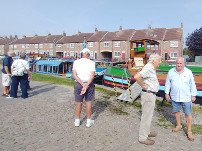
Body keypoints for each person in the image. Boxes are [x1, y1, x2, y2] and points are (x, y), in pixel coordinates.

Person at [165, 57, 197, 141]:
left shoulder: (188, 72)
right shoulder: (171, 72)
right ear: (176, 63)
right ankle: (179, 125)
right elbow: (168, 83)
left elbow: (192, 84)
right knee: (176, 111)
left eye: (180, 63)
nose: (179, 65)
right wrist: (166, 93)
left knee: (188, 113)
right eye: (177, 63)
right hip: (175, 96)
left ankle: (189, 131)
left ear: (183, 64)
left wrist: (193, 95)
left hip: (186, 96)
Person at [134, 54, 161, 145]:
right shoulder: (149, 68)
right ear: (153, 61)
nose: (159, 62)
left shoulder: (150, 68)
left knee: (148, 115)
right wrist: (142, 85)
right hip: (148, 94)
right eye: (158, 60)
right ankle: (143, 138)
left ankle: (147, 132)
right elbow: (137, 77)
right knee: (146, 116)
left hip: (150, 94)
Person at [72, 48, 95, 127]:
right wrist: (87, 84)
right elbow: (92, 75)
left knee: (79, 102)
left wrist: (82, 83)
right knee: (88, 102)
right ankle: (88, 121)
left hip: (78, 84)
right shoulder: (92, 62)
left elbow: (74, 75)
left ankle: (77, 121)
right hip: (89, 84)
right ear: (88, 54)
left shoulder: (76, 62)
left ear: (82, 54)